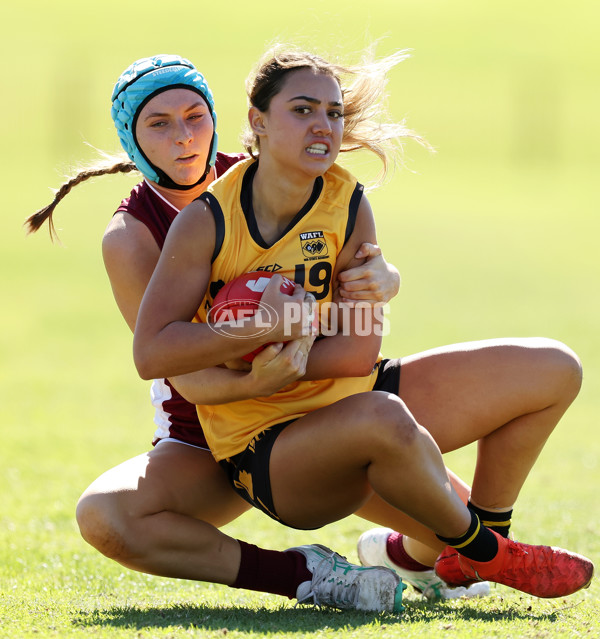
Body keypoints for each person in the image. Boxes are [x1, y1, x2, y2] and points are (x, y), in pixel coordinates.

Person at [131, 46, 594, 603]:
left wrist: (280, 347)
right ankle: (490, 555)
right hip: (268, 449)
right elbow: (152, 353)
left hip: (355, 396)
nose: (322, 125)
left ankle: (480, 540)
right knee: (380, 414)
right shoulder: (206, 219)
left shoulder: (349, 203)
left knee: (552, 368)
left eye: (333, 112)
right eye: (302, 110)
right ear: (258, 122)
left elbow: (356, 354)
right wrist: (254, 339)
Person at [25, 54, 476, 611]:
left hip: (319, 406)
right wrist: (257, 362)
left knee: (467, 532)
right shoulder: (131, 235)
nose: (184, 138)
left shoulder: (267, 173)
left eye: (195, 116)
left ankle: (398, 556)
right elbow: (181, 369)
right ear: (132, 139)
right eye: (158, 124)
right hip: (211, 439)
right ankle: (310, 576)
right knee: (106, 516)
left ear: (225, 118)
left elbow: (351, 274)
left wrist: (387, 277)